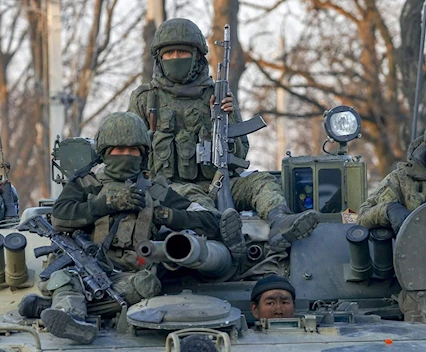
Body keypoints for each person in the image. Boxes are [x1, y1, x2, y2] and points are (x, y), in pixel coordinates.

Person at [18, 112, 227, 344]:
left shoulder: (154, 190)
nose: (126, 156)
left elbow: (210, 220)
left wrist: (168, 215)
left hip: (129, 277)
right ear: (106, 152)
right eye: (119, 150)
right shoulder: (87, 183)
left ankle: (62, 305)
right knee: (64, 278)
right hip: (84, 269)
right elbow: (60, 217)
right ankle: (72, 319)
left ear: (143, 154)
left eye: (133, 150)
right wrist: (104, 205)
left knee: (148, 286)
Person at [127, 18, 319, 254]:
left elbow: (241, 154)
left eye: (183, 52)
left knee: (262, 182)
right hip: (174, 189)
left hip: (220, 181)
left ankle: (280, 222)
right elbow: (130, 151)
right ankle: (227, 237)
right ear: (159, 58)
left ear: (197, 57)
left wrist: (224, 117)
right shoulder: (145, 99)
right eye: (170, 53)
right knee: (202, 207)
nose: (176, 58)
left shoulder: (217, 94)